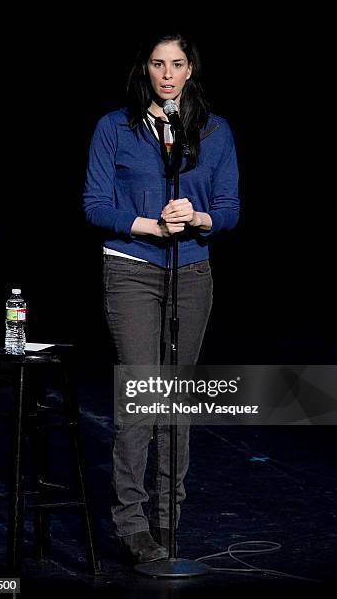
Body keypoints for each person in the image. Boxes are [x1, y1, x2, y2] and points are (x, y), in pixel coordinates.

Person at [83, 30, 239, 564]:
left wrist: (198, 218)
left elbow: (230, 207)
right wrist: (148, 224)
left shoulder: (214, 131)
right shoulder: (115, 128)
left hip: (191, 271)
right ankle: (132, 524)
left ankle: (169, 522)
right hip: (130, 268)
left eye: (177, 64)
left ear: (190, 69)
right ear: (144, 69)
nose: (167, 74)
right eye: (157, 64)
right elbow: (94, 204)